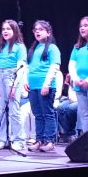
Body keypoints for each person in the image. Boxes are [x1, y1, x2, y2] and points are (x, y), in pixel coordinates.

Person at [0, 19, 27, 151]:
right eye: (3, 29)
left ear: (15, 31)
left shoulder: (19, 47)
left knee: (14, 111)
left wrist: (15, 86)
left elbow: (21, 68)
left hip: (13, 77)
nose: (5, 31)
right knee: (1, 110)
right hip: (0, 77)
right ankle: (3, 139)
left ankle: (18, 140)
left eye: (8, 29)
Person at [25, 20, 62, 152]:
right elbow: (29, 67)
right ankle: (39, 140)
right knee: (38, 114)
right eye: (35, 30)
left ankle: (50, 141)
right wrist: (26, 81)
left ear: (48, 32)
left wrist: (46, 85)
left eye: (41, 29)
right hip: (33, 87)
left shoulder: (52, 48)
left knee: (48, 114)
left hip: (45, 86)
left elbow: (54, 66)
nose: (37, 32)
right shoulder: (34, 48)